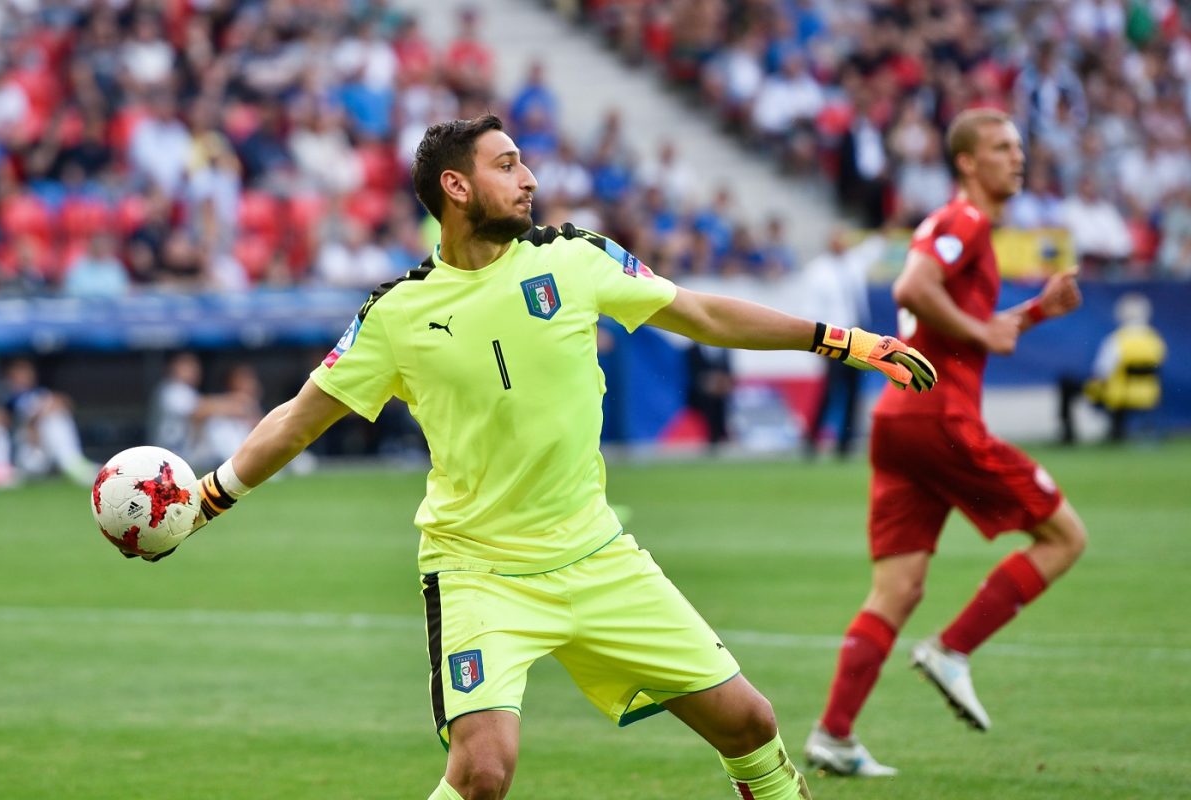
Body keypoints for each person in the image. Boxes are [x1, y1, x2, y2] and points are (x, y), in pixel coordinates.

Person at [118, 114, 937, 800]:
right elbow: (297, 420)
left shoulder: (577, 259)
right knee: (482, 773)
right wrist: (206, 498)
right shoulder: (397, 315)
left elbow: (704, 314)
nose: (530, 178)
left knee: (751, 725)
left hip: (597, 555)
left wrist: (840, 340)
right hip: (478, 571)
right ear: (455, 187)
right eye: (507, 164)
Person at [804, 108, 1086, 777]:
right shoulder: (965, 221)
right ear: (967, 161)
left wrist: (1037, 311)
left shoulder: (950, 227)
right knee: (1066, 537)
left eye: (1020, 146)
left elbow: (958, 326)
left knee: (896, 590)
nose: (1016, 157)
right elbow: (912, 287)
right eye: (1000, 146)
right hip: (940, 418)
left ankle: (833, 735)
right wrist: (987, 331)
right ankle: (952, 650)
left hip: (898, 420)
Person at [800, 225, 885, 458]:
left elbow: (876, 246)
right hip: (833, 337)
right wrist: (817, 343)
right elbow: (812, 309)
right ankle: (812, 438)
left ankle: (845, 443)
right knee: (830, 389)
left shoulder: (853, 263)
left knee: (854, 389)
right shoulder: (818, 271)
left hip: (858, 335)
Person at [1080, 292, 1166, 442]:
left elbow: (1101, 372)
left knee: (1083, 387)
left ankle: (1070, 434)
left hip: (1119, 395)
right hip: (1148, 395)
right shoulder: (1155, 339)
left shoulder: (1117, 340)